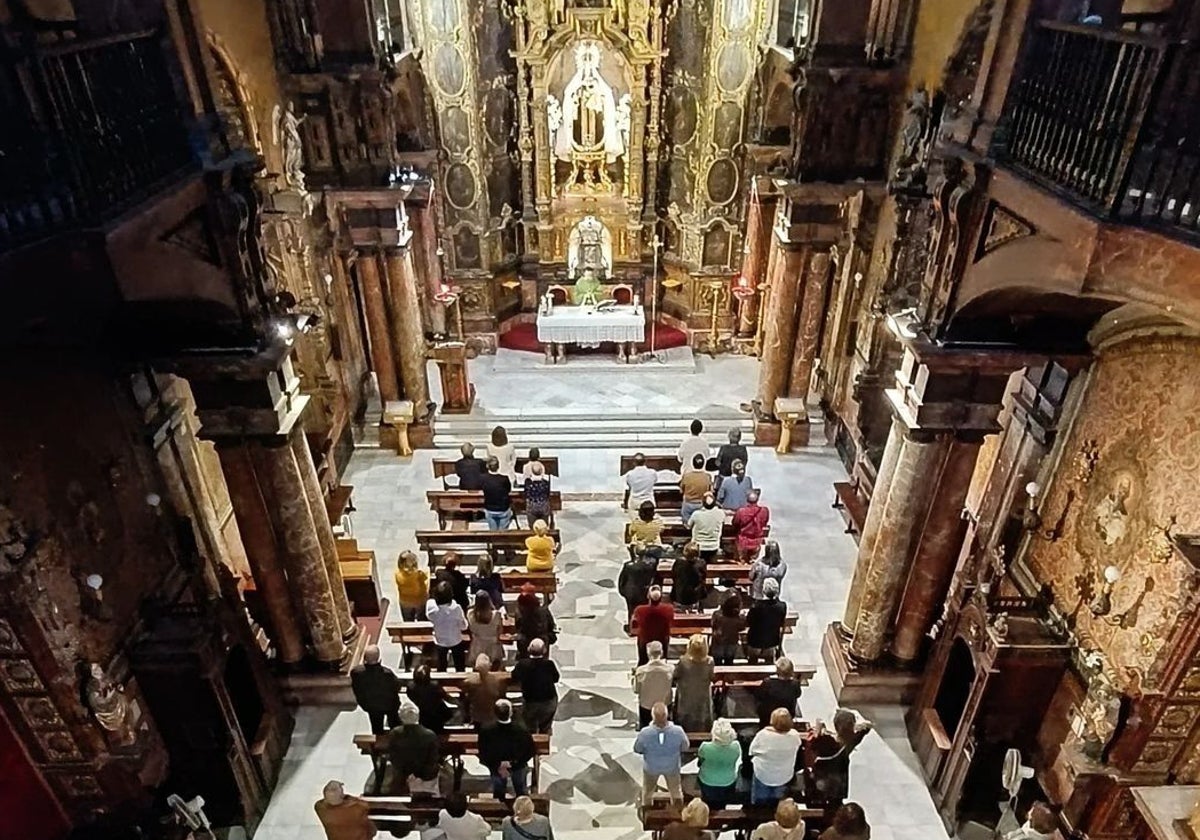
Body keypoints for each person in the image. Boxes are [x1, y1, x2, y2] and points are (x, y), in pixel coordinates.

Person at [479, 699, 536, 799]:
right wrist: (513, 764)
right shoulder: (521, 729)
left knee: (498, 791)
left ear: (495, 713)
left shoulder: (486, 730)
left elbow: (483, 751)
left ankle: (499, 808)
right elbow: (530, 750)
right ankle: (522, 806)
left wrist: (499, 765)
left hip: (496, 768)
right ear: (510, 713)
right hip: (518, 766)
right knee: (521, 789)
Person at [634, 702, 688, 807]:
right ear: (667, 715)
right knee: (676, 791)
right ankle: (677, 811)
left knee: (647, 791)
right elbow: (685, 747)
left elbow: (637, 749)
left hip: (651, 767)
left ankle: (647, 808)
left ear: (652, 717)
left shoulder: (645, 733)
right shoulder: (678, 731)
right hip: (672, 766)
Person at [383, 703, 441, 796]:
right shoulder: (430, 735)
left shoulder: (394, 734)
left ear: (401, 717)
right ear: (418, 716)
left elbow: (393, 757)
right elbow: (433, 758)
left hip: (403, 775)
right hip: (427, 775)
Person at [749, 708, 803, 804]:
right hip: (783, 776)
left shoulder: (763, 735)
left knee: (760, 802)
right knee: (777, 802)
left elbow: (752, 751)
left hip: (763, 775)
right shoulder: (794, 736)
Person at [511, 638, 559, 733]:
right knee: (545, 727)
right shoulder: (549, 664)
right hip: (549, 701)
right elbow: (556, 679)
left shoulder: (522, 664)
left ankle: (532, 741)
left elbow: (514, 677)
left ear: (529, 649)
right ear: (544, 650)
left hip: (531, 702)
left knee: (529, 727)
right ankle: (544, 736)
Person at [350, 645, 401, 735]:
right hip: (389, 705)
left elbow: (356, 688)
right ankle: (396, 736)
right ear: (380, 659)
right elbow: (397, 686)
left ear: (364, 659)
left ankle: (378, 741)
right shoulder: (387, 673)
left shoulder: (356, 672)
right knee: (394, 723)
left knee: (376, 727)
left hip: (370, 706)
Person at [673, 634, 714, 732]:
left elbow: (676, 675)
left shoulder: (683, 661)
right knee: (701, 715)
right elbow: (711, 676)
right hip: (702, 695)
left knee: (686, 717)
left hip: (686, 694)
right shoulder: (709, 661)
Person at [697, 718, 741, 809]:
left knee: (708, 801)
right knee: (723, 802)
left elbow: (700, 759)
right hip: (728, 780)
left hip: (707, 780)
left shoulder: (705, 747)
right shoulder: (736, 746)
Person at [426, 581, 469, 671]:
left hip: (440, 640)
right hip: (455, 640)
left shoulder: (431, 607)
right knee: (460, 665)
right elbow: (464, 627)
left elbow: (429, 616)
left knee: (441, 665)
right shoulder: (456, 608)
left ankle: (442, 680)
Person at [746, 578, 787, 664]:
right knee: (769, 660)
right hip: (771, 639)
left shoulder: (756, 607)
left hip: (755, 640)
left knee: (753, 660)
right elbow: (781, 621)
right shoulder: (782, 606)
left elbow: (748, 622)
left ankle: (752, 673)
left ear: (763, 590)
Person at [633, 641, 673, 729]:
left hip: (646, 707)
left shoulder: (641, 671)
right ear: (661, 653)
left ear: (648, 654)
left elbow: (636, 690)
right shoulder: (670, 669)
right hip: (665, 705)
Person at [631, 586, 674, 665]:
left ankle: (642, 662)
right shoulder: (669, 609)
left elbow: (635, 623)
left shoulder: (640, 610)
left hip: (645, 639)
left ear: (648, 596)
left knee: (641, 639)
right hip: (662, 639)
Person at [406, 664, 453, 734]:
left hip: (423, 714)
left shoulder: (411, 687)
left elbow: (411, 697)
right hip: (436, 714)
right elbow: (444, 696)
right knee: (446, 714)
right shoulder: (434, 686)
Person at [756, 657, 803, 726]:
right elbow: (798, 694)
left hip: (767, 715)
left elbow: (759, 695)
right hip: (787, 714)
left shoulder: (768, 682)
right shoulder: (795, 684)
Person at [514, 584, 557, 658]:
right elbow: (551, 625)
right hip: (543, 642)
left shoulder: (521, 613)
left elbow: (518, 627)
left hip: (526, 644)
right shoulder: (544, 611)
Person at [462, 654, 504, 728]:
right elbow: (501, 694)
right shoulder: (496, 680)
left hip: (477, 715)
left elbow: (465, 694)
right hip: (491, 715)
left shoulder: (470, 680)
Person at [619, 546, 660, 623]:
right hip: (643, 591)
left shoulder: (628, 565)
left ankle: (631, 624)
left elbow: (622, 579)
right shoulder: (649, 567)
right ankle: (641, 624)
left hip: (630, 591)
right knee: (642, 610)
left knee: (631, 610)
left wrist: (623, 591)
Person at [467, 592, 506, 670]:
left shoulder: (470, 614)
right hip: (493, 645)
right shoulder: (497, 615)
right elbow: (500, 631)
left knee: (478, 668)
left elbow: (471, 630)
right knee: (495, 668)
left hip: (477, 645)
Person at [732, 490, 770, 561]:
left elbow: (735, 523)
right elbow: (765, 522)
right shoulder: (764, 511)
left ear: (747, 500)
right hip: (756, 541)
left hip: (742, 541)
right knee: (752, 561)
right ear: (757, 499)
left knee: (741, 561)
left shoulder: (741, 511)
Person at [710, 593, 745, 666]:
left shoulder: (717, 614)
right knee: (729, 662)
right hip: (731, 642)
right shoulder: (738, 619)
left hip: (718, 642)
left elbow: (713, 624)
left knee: (717, 663)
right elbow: (742, 627)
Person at [689, 493, 725, 562]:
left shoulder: (696, 514)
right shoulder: (721, 513)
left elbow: (689, 525)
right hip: (714, 546)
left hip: (699, 546)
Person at [671, 542, 707, 610]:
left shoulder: (679, 562)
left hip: (679, 594)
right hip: (694, 596)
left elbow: (673, 575)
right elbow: (704, 577)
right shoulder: (701, 563)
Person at [481, 456, 514, 530]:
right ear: (498, 466)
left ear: (488, 466)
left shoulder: (483, 478)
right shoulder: (504, 479)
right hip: (503, 508)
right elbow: (508, 490)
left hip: (490, 508)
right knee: (503, 533)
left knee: (493, 532)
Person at [394, 550, 428, 621]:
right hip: (419, 601)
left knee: (408, 621)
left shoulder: (397, 574)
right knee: (421, 620)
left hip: (405, 602)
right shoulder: (418, 574)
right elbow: (426, 582)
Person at [679, 453, 712, 524]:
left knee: (687, 523)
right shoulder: (707, 477)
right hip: (701, 504)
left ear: (692, 463)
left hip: (688, 504)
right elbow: (710, 491)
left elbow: (681, 490)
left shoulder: (686, 476)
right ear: (703, 464)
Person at [524, 460, 553, 529]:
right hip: (543, 506)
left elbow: (526, 494)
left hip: (532, 507)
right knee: (543, 527)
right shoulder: (545, 483)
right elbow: (547, 494)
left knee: (533, 527)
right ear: (541, 471)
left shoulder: (528, 483)